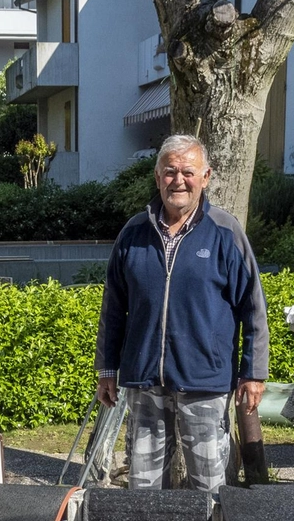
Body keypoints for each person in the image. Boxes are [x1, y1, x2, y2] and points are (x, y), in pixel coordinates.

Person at [94, 134, 269, 492]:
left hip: (205, 378)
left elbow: (253, 307)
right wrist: (107, 369)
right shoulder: (133, 233)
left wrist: (253, 372)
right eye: (169, 171)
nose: (178, 180)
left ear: (205, 177)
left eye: (187, 172)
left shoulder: (225, 231)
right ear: (157, 178)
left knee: (210, 484)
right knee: (143, 485)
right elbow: (113, 308)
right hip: (144, 379)